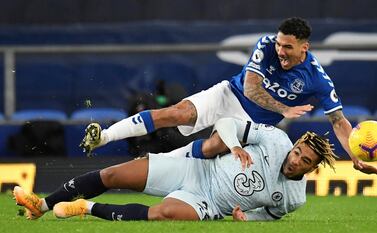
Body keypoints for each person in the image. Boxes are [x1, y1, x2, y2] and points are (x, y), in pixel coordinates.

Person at [79, 17, 376, 174]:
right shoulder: (266, 44)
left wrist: (354, 156)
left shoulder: (318, 79)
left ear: (305, 48)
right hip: (228, 94)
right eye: (280, 45)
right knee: (175, 113)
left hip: (251, 124)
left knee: (211, 149)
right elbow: (250, 87)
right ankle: (103, 137)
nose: (281, 51)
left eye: (288, 47)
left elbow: (338, 122)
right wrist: (284, 109)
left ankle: (150, 165)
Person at [14, 118, 336, 221]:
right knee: (114, 175)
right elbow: (225, 123)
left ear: (313, 167)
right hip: (195, 170)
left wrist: (246, 218)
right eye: (297, 152)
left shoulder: (295, 198)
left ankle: (85, 207)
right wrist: (235, 146)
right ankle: (40, 205)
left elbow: (270, 215)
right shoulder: (276, 139)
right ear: (293, 145)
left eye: (304, 161)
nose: (294, 160)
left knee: (163, 214)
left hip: (209, 204)